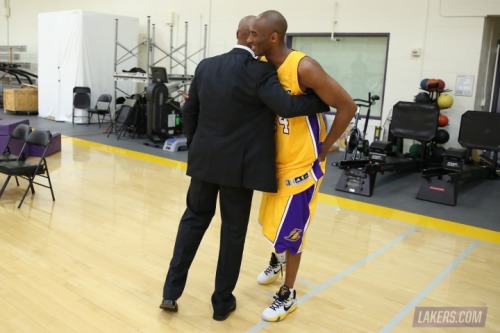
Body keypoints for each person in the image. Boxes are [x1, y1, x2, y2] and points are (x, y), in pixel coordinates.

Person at [159, 15, 329, 321]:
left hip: (204, 163)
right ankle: (221, 304)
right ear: (250, 37)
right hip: (239, 170)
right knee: (232, 233)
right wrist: (321, 102)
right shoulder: (260, 71)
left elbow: (189, 110)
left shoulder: (206, 66)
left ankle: (170, 292)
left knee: (192, 222)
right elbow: (288, 107)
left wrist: (198, 146)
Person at [247, 10, 357, 322]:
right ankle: (276, 260)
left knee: (292, 232)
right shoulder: (264, 66)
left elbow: (347, 106)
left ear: (273, 37)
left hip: (302, 164)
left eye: (255, 34)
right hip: (275, 162)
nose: (249, 39)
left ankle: (288, 294)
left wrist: (324, 148)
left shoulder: (304, 67)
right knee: (271, 224)